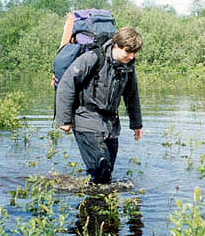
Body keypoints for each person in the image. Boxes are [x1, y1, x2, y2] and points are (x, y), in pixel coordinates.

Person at [55, 26, 143, 184]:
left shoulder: (128, 67)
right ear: (116, 45)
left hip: (110, 124)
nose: (132, 56)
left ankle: (91, 198)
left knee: (106, 173)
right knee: (101, 168)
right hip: (85, 119)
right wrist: (64, 119)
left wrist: (136, 124)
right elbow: (67, 84)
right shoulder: (93, 58)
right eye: (128, 51)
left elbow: (132, 95)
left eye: (135, 52)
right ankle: (93, 204)